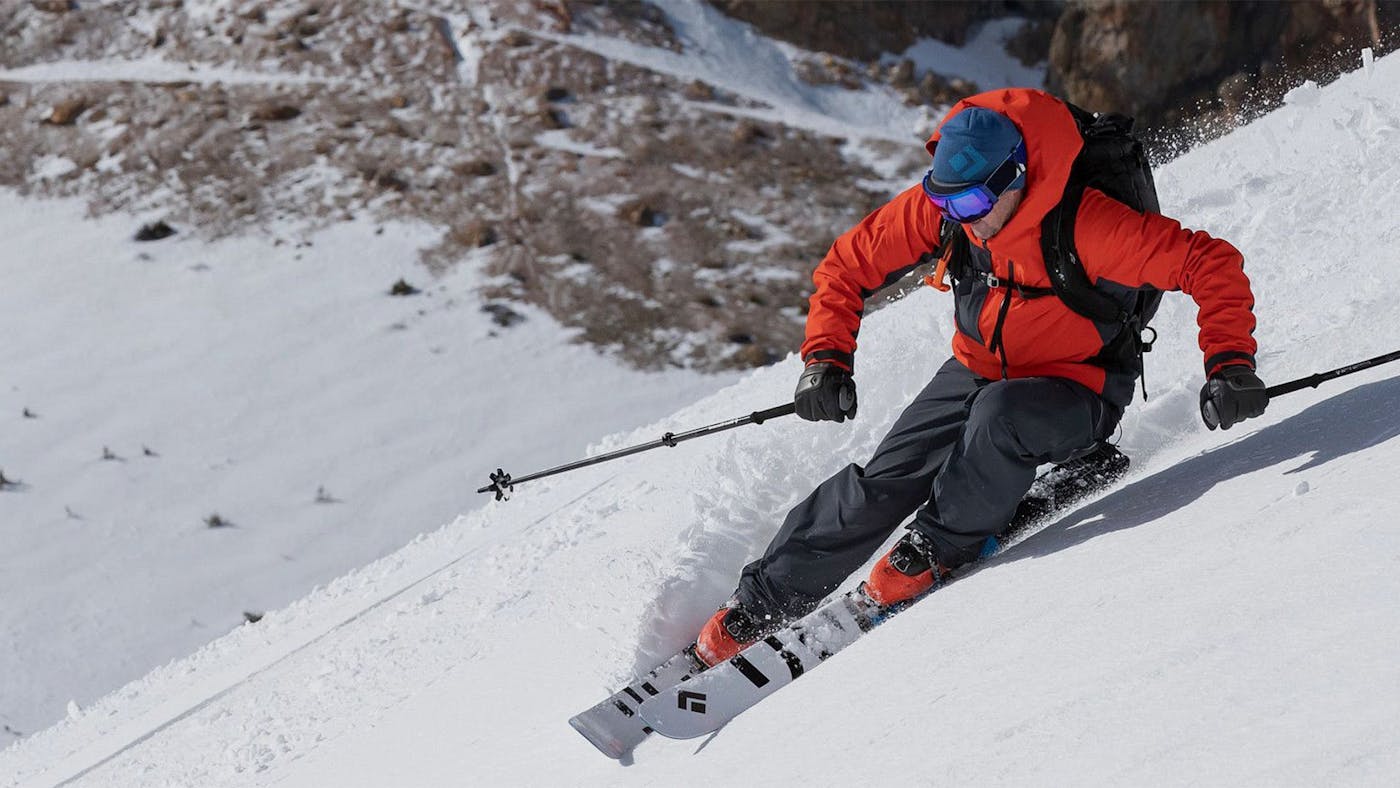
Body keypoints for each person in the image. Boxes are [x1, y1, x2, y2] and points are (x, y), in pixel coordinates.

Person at [693, 88, 1269, 667]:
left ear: (1015, 178)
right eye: (945, 201)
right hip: (975, 369)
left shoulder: (1087, 225)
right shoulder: (951, 210)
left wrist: (1229, 363)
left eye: (970, 203)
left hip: (1080, 387)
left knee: (998, 421)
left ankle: (938, 546)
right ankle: (763, 599)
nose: (960, 219)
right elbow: (847, 264)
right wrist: (826, 357)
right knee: (884, 481)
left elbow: (1208, 263)